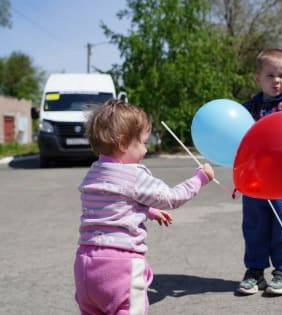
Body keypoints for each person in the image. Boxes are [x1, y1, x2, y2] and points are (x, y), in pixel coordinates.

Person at [73, 100, 214, 314]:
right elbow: (172, 198)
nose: (146, 150)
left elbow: (112, 206)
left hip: (85, 265)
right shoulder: (135, 175)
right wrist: (199, 178)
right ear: (122, 144)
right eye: (143, 142)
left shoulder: (94, 172)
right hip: (119, 266)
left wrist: (147, 210)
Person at [237, 48, 282, 296]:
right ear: (258, 78)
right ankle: (255, 272)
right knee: (255, 226)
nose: (277, 80)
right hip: (255, 182)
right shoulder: (247, 109)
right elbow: (239, 144)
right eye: (270, 75)